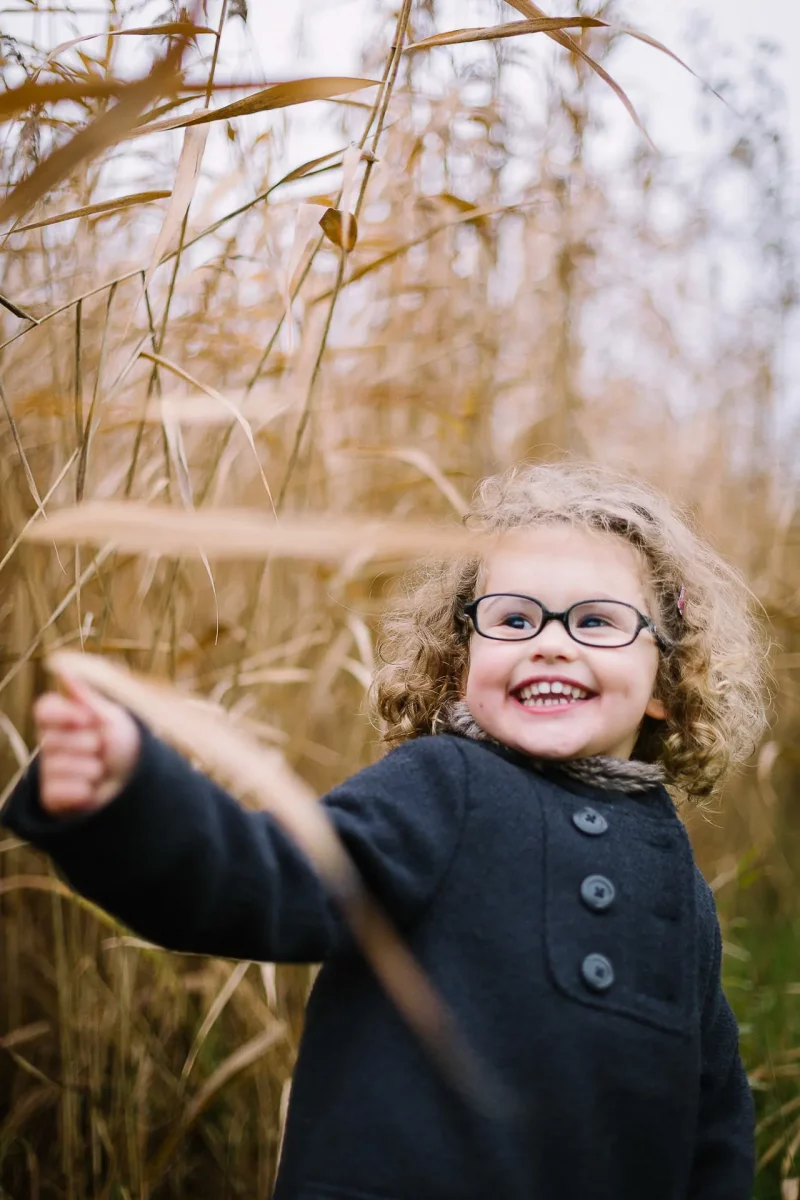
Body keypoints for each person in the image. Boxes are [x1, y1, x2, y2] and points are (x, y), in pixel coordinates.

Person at [2, 462, 767, 1200]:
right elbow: (270, 880)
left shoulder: (677, 880)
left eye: (597, 621)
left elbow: (715, 1112)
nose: (551, 641)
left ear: (667, 682)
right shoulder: (444, 786)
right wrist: (130, 798)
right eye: (514, 619)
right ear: (462, 660)